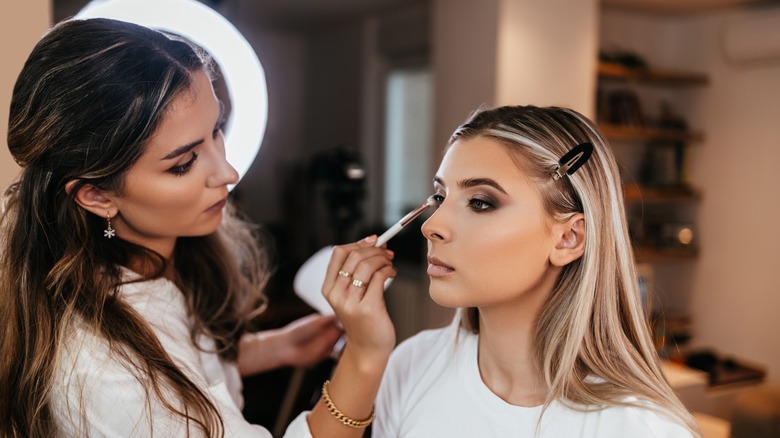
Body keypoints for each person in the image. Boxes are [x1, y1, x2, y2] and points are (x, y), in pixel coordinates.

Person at [0, 18, 395, 437]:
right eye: (183, 164)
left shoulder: (149, 262)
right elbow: (149, 384)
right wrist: (367, 357)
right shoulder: (105, 371)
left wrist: (277, 348)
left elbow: (181, 358)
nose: (228, 171)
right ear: (97, 196)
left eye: (217, 131)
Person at [372, 105, 703, 437]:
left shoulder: (641, 429)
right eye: (440, 196)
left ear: (568, 239)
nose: (432, 225)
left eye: (480, 202)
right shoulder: (411, 366)